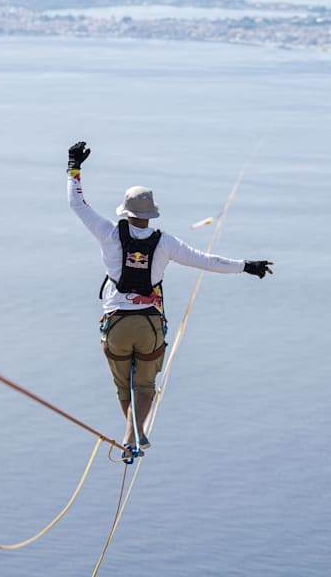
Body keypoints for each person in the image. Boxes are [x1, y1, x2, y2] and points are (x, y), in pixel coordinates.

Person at [65, 141, 272, 459]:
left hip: (116, 325)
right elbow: (207, 261)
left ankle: (132, 435)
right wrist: (247, 266)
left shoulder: (108, 234)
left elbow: (78, 205)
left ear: (125, 211)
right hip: (149, 325)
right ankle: (135, 434)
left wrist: (73, 168)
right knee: (145, 387)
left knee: (124, 388)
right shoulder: (166, 243)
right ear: (150, 215)